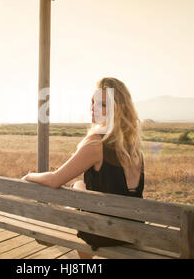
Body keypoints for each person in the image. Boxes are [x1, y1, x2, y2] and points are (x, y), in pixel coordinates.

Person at [21, 77, 144, 259]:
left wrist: (31, 176)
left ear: (117, 109)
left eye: (102, 104)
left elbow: (55, 179)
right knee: (80, 199)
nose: (94, 108)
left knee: (80, 220)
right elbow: (121, 191)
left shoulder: (96, 144)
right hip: (134, 230)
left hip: (104, 232)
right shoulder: (134, 148)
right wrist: (80, 187)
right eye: (93, 102)